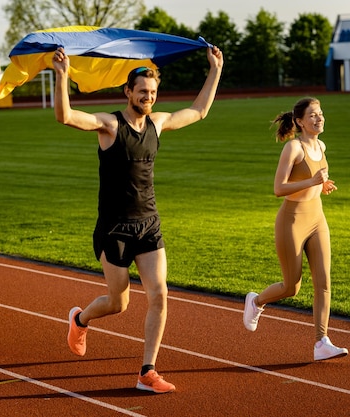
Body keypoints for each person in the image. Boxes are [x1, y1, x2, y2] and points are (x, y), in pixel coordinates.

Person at [52, 45, 223, 393]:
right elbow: (66, 116)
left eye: (153, 92)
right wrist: (61, 76)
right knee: (119, 303)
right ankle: (80, 319)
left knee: (159, 294)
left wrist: (215, 69)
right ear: (128, 91)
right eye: (142, 91)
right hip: (113, 229)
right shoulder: (110, 126)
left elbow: (199, 111)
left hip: (148, 223)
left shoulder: (158, 124)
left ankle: (148, 371)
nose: (148, 97)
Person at [242, 97, 348, 361]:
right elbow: (278, 189)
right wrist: (311, 180)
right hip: (292, 221)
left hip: (317, 219)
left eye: (321, 113)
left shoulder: (321, 145)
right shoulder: (293, 148)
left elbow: (313, 180)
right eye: (312, 115)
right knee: (292, 287)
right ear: (300, 121)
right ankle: (256, 301)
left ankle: (321, 342)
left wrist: (321, 185)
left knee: (324, 281)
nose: (319, 118)